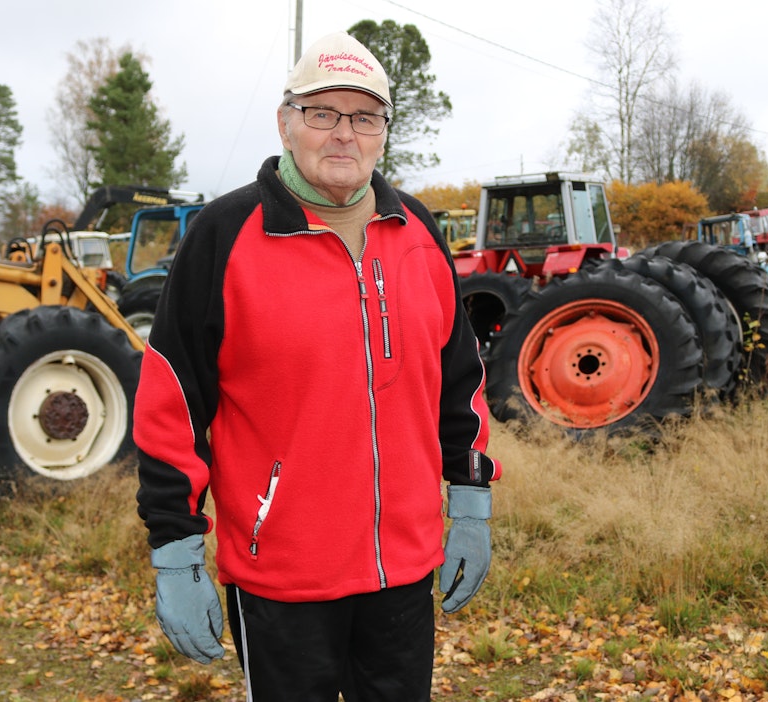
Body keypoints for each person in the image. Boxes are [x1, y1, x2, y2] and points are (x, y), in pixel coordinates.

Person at [133, 30, 501, 701]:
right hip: (280, 577)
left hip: (404, 571)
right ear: (286, 122)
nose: (344, 134)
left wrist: (471, 501)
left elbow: (460, 383)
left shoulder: (418, 233)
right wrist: (176, 549)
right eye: (322, 112)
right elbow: (171, 404)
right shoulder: (224, 236)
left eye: (365, 117)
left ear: (384, 132)